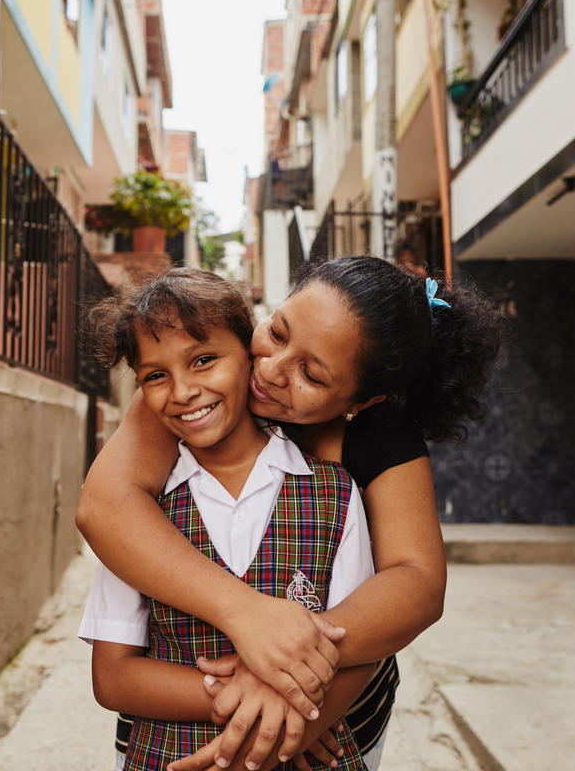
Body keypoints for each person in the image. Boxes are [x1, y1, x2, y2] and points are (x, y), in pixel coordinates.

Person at [78, 256, 503, 771]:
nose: (271, 370)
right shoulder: (193, 384)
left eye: (311, 374)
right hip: (174, 736)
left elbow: (415, 585)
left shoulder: (374, 443)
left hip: (331, 724)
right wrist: (249, 615)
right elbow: (106, 509)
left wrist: (288, 708)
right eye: (277, 332)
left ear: (361, 401)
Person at [78, 268, 376, 770]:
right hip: (171, 756)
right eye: (155, 375)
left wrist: (286, 712)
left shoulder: (333, 492)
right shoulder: (139, 517)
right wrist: (243, 696)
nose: (182, 391)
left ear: (250, 358)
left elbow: (358, 651)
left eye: (203, 360)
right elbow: (112, 677)